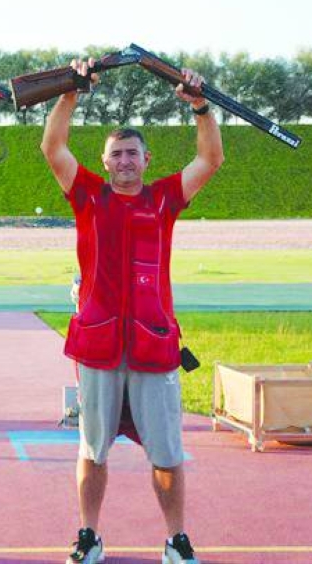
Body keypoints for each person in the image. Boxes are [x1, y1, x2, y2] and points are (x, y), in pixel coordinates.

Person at [40, 59, 224, 564]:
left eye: (132, 154)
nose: (124, 161)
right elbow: (52, 147)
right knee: (92, 450)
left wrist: (201, 107)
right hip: (99, 345)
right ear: (105, 161)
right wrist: (71, 93)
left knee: (166, 454)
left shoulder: (164, 199)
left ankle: (176, 539)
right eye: (116, 154)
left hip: (153, 344)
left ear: (147, 160)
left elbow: (210, 159)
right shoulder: (88, 196)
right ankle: (89, 535)